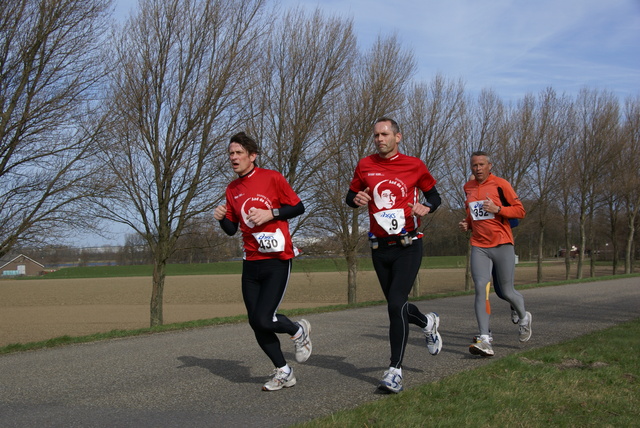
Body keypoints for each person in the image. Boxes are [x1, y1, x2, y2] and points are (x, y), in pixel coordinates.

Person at [345, 117, 443, 394]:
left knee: (395, 305)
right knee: (396, 305)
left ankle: (394, 371)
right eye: (376, 135)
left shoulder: (414, 165)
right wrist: (357, 199)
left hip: (408, 245)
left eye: (384, 134)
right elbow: (350, 196)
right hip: (379, 247)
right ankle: (427, 322)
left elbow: (435, 197)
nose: (379, 139)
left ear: (397, 137)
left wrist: (426, 207)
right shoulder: (365, 165)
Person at [213, 132, 312, 391]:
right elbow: (231, 229)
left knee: (265, 318)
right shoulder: (232, 189)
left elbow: (298, 207)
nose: (233, 158)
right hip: (251, 262)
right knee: (255, 321)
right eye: (230, 154)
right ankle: (283, 371)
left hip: (277, 259)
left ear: (252, 156)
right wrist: (221, 216)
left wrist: (271, 213)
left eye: (238, 153)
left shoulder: (272, 178)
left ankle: (298, 330)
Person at [458, 151, 532, 357]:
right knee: (481, 288)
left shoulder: (501, 184)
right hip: (479, 246)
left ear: (490, 165)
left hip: (502, 244)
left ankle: (524, 317)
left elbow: (520, 211)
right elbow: (473, 214)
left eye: (482, 164)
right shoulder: (468, 187)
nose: (478, 168)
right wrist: (468, 224)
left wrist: (498, 208)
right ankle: (484, 339)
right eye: (474, 165)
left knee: (507, 292)